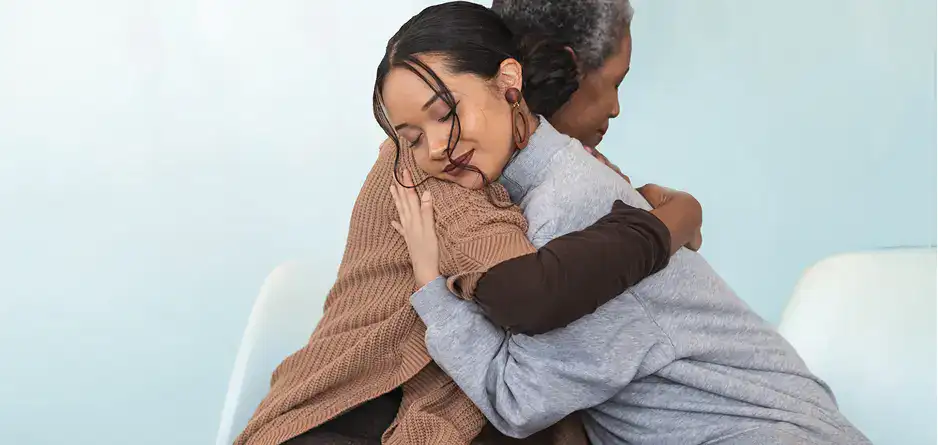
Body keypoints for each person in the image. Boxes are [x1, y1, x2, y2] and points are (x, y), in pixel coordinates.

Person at [380, 2, 872, 445]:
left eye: (446, 114)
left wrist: (433, 292)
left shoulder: (566, 206)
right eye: (412, 137)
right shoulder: (544, 185)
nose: (437, 146)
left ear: (510, 83)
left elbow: (518, 402)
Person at [234, 3, 704, 445]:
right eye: (613, 82)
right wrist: (677, 219)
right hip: (353, 421)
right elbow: (535, 294)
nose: (616, 108)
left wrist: (649, 204)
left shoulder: (531, 163)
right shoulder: (434, 174)